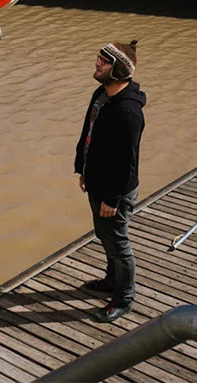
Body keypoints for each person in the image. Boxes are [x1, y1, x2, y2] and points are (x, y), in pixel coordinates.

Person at [74, 40, 146, 323]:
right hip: (97, 182)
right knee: (104, 235)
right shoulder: (100, 94)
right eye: (98, 58)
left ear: (117, 70)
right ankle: (110, 281)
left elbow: (127, 163)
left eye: (103, 61)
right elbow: (88, 133)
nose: (97, 63)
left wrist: (112, 200)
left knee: (119, 243)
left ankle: (124, 299)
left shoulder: (129, 113)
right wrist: (82, 169)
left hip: (116, 192)